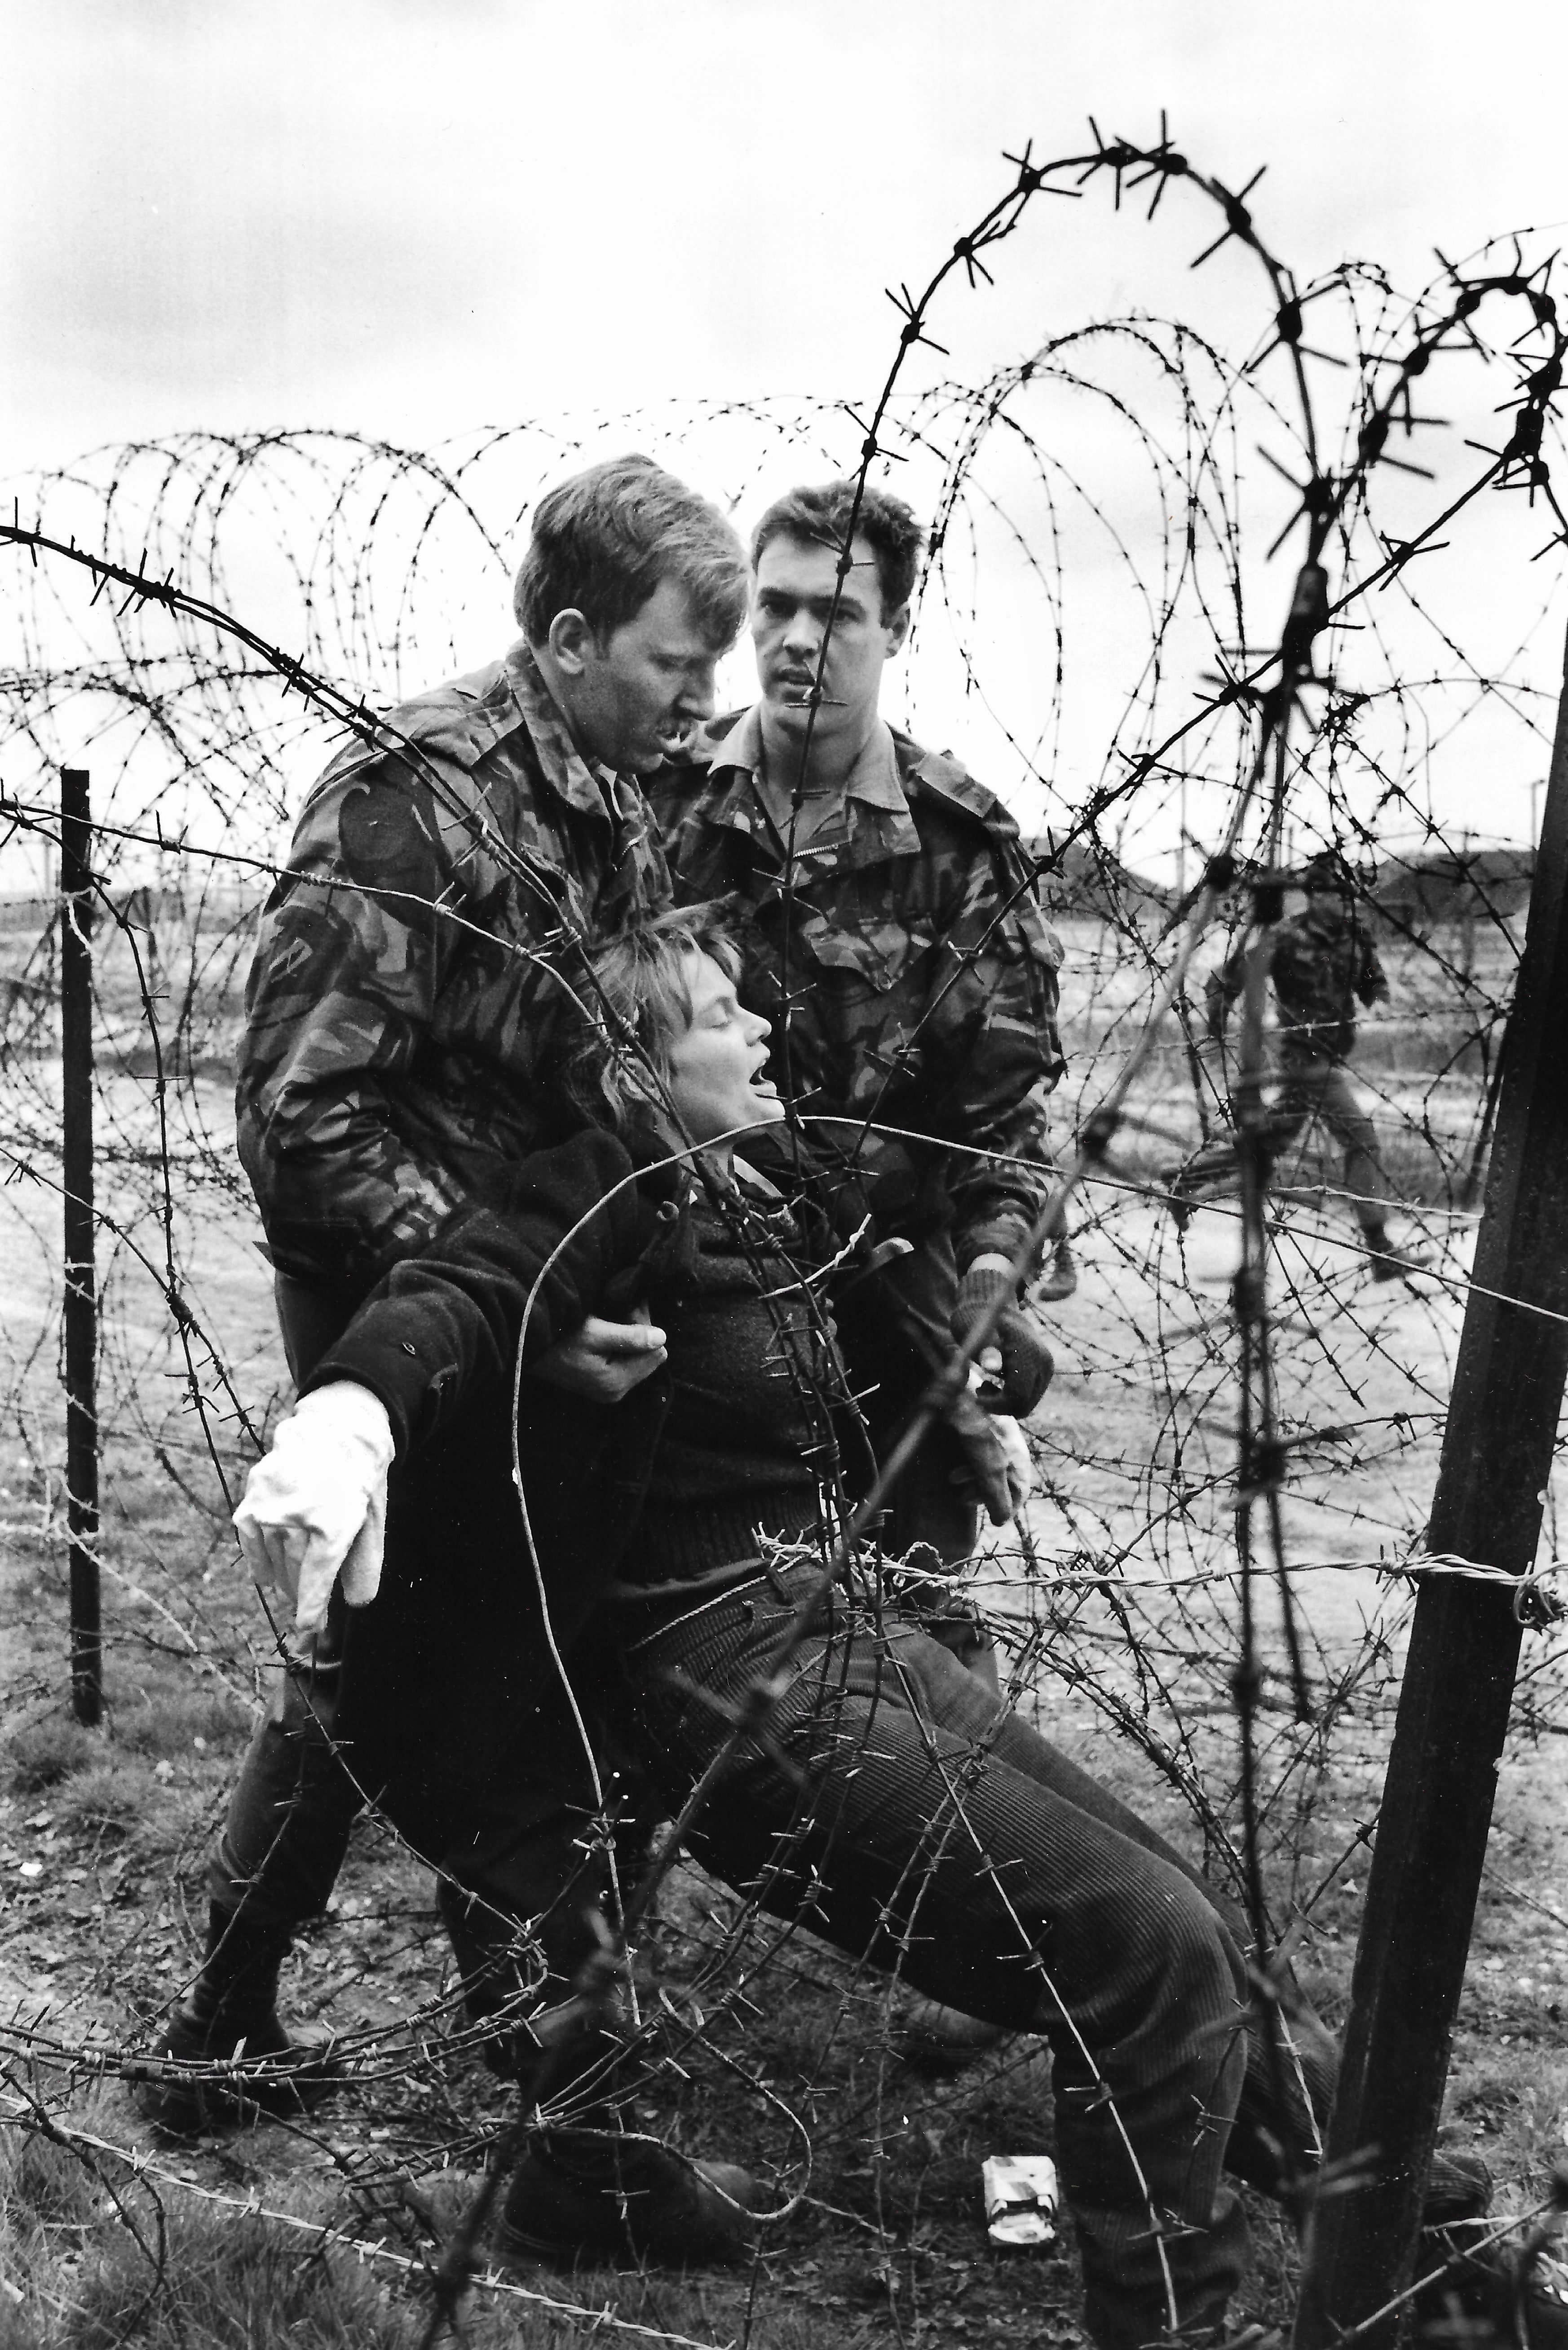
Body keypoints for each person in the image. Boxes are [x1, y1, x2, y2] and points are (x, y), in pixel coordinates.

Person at [235, 906, 1519, 2350]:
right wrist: (350, 1412)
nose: (765, 1028)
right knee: (1139, 1946)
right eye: (724, 1012)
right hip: (722, 1681)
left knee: (1195, 1934)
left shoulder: (762, 1194)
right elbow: (459, 1292)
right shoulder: (608, 1195)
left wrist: (957, 1402)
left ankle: (1420, 2244)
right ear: (640, 1068)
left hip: (838, 1625)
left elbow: (927, 1230)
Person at [137, 456, 761, 2255]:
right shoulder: (412, 806)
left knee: (388, 1668)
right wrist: (525, 1301)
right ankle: (575, 2149)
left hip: (525, 1303)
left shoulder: (614, 787)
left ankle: (228, 2032)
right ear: (566, 643)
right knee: (491, 1687)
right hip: (415, 1318)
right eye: (669, 661)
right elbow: (297, 1119)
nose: (696, 699)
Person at [648, 479, 1073, 1592]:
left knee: (910, 1633)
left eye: (834, 612)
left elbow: (1005, 1111)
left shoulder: (959, 842)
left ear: (895, 627)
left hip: (896, 1297)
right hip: (702, 1287)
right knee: (701, 1620)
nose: (795, 640)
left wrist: (990, 1279)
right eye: (773, 607)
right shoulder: (660, 799)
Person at [1176, 852, 1408, 1278]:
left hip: (1330, 1053)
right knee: (1361, 1138)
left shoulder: (1354, 936)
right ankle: (1380, 1250)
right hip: (1302, 1058)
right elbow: (1225, 979)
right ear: (1314, 896)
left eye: (1344, 895)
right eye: (1330, 894)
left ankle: (1184, 1181)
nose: (1339, 902)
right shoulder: (1287, 937)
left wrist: (1381, 1002)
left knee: (1269, 1142)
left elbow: (1372, 980)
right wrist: (1216, 1027)